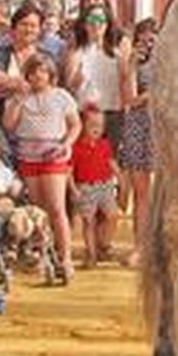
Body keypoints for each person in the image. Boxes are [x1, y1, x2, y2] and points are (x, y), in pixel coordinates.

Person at [2, 51, 80, 283]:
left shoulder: (62, 96)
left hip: (54, 153)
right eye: (33, 72)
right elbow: (9, 125)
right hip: (28, 155)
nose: (38, 76)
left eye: (42, 71)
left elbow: (75, 125)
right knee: (38, 210)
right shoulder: (21, 98)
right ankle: (44, 253)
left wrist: (66, 144)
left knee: (56, 208)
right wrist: (17, 99)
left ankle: (65, 257)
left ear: (50, 74)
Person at [63, 0, 132, 152]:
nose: (96, 24)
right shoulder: (77, 51)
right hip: (85, 113)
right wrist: (78, 77)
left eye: (101, 20)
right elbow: (70, 84)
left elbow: (125, 82)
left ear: (107, 24)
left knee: (110, 162)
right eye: (92, 20)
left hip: (112, 114)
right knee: (85, 162)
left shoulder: (117, 53)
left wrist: (126, 109)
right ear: (85, 24)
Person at [118, 17, 157, 265]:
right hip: (137, 125)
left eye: (152, 39)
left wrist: (147, 96)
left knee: (162, 191)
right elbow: (129, 99)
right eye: (142, 39)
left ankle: (161, 247)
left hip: (164, 127)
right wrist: (131, 65)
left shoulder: (172, 61)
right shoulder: (131, 63)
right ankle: (141, 247)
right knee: (141, 193)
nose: (147, 44)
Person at [69, 105, 120, 267]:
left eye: (100, 125)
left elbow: (112, 163)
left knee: (112, 215)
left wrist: (122, 179)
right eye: (92, 125)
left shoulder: (104, 144)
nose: (97, 129)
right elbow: (69, 171)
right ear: (83, 126)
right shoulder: (76, 148)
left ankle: (103, 244)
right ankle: (91, 253)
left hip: (105, 185)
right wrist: (73, 189)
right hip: (85, 187)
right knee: (88, 221)